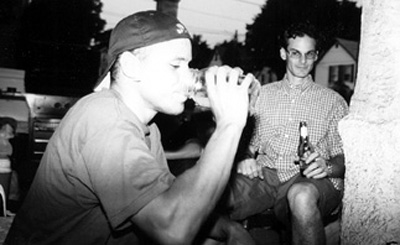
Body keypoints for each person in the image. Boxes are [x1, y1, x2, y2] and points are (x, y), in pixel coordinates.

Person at [5, 11, 256, 245]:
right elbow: (173, 229)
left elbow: (177, 199)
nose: (188, 77)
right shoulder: (103, 117)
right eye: (175, 65)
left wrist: (230, 230)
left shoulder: (147, 129)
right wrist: (230, 125)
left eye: (188, 66)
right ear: (130, 66)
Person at [225, 22, 349, 245]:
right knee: (215, 196)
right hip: (267, 176)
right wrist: (244, 158)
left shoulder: (333, 101)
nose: (303, 62)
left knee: (301, 197)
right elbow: (247, 145)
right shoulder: (261, 95)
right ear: (284, 53)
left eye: (309, 55)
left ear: (316, 56)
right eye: (295, 53)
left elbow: (344, 161)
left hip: (310, 179)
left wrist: (326, 166)